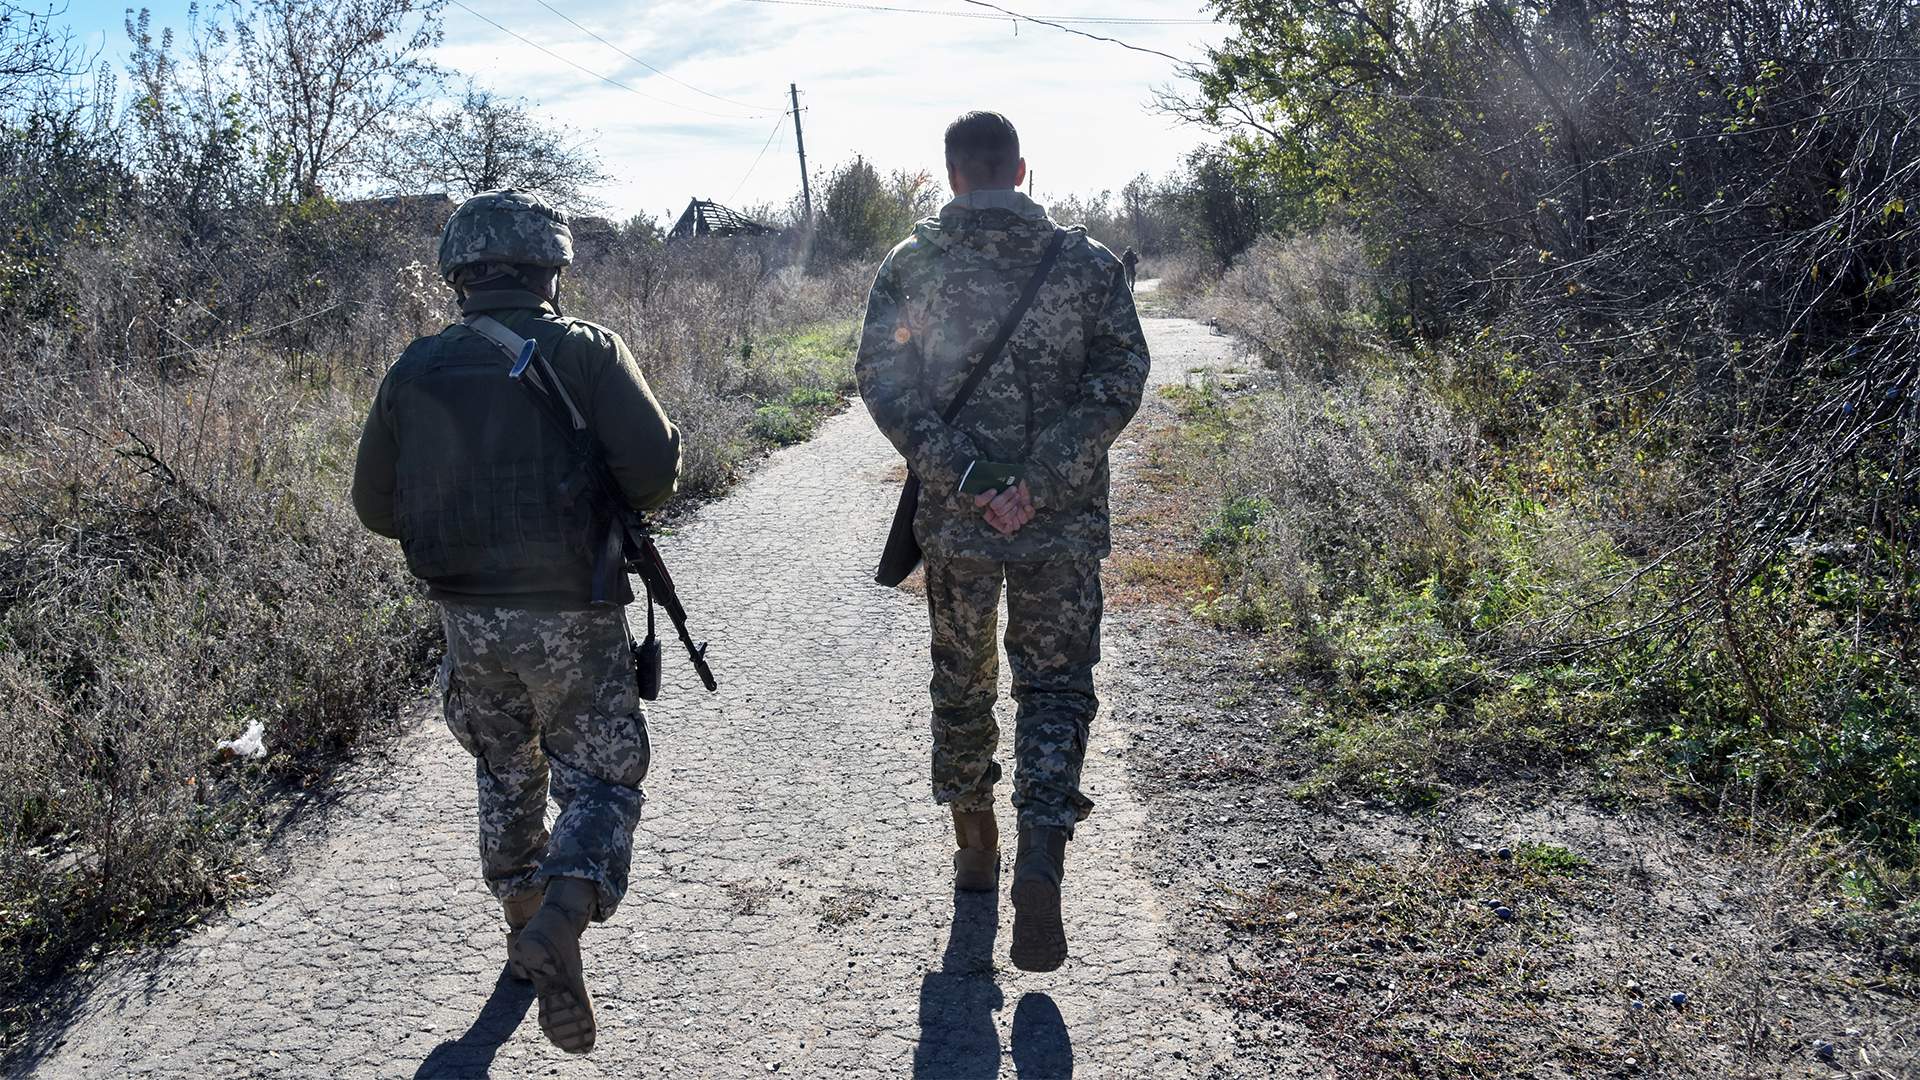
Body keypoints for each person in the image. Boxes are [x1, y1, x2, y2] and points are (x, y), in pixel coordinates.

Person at [350, 189, 681, 1055]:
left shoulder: (413, 368)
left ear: (459, 275)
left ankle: (519, 928)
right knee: (602, 779)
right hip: (570, 609)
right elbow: (654, 473)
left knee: (503, 769)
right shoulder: (588, 352)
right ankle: (564, 916)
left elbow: (376, 510)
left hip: (466, 616)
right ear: (552, 268)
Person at [855, 111, 1151, 972]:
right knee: (1055, 691)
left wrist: (973, 480)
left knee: (962, 683)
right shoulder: (1089, 267)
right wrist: (1041, 479)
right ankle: (1045, 865)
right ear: (1020, 171)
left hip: (957, 526)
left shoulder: (912, 265)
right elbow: (1119, 380)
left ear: (952, 177)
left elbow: (881, 380)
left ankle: (977, 854)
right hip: (1058, 526)